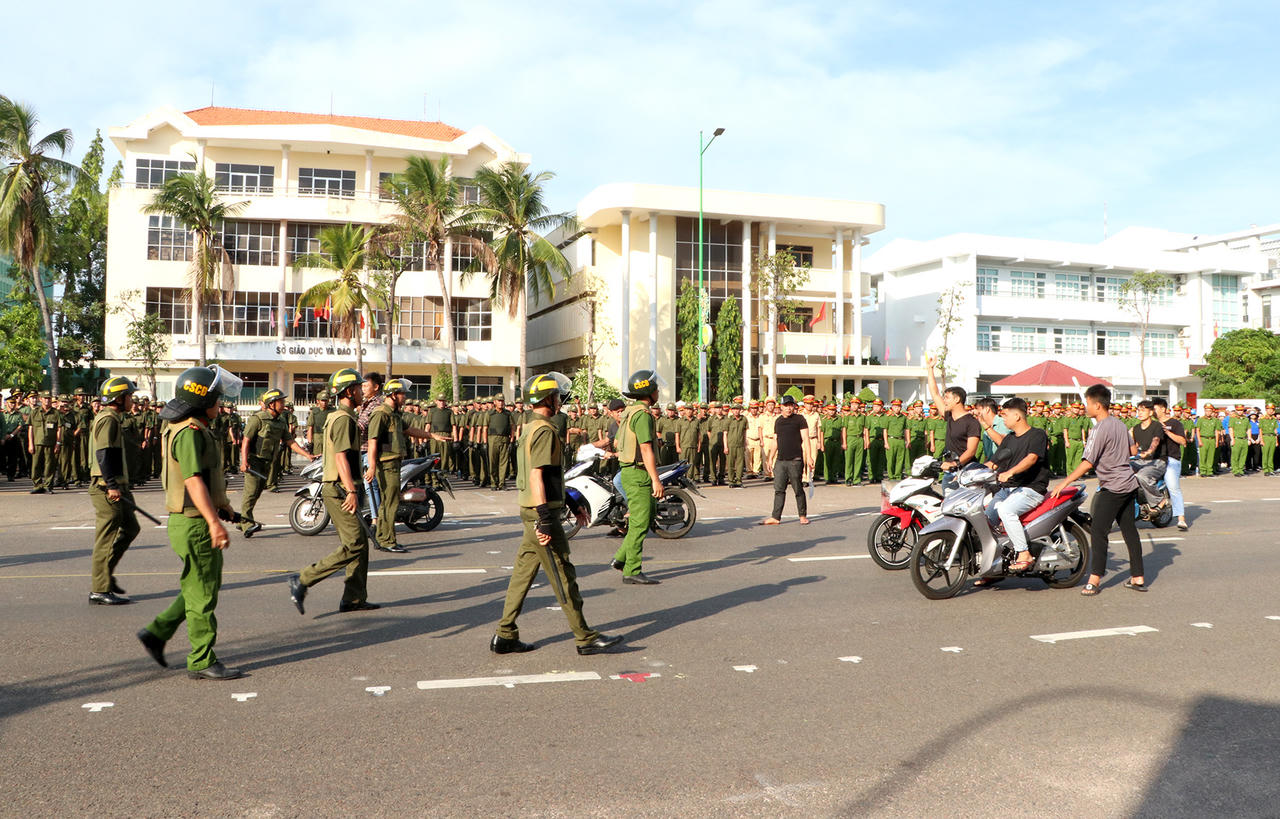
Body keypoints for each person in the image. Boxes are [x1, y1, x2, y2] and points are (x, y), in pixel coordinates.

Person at [491, 372, 623, 656]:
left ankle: (505, 634)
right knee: (563, 574)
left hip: (531, 508)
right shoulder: (545, 430)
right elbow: (539, 475)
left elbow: (551, 476)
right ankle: (584, 637)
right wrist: (546, 519)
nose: (559, 399)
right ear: (548, 398)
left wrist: (572, 504)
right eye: (556, 395)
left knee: (522, 575)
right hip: (541, 512)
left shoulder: (530, 427)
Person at [138, 364, 244, 680]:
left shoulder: (193, 428)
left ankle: (157, 633)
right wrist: (213, 521)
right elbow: (193, 481)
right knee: (203, 593)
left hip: (195, 518)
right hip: (195, 523)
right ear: (201, 401)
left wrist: (223, 508)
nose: (221, 404)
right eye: (217, 399)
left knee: (197, 587)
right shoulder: (189, 432)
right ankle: (201, 660)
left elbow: (208, 480)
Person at [289, 368, 379, 614]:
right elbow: (340, 458)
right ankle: (303, 579)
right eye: (359, 387)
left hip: (347, 487)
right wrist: (351, 490)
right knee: (354, 545)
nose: (363, 391)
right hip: (340, 489)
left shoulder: (344, 416)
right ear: (350, 391)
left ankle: (353, 598)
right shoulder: (342, 418)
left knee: (361, 543)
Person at [1051, 383, 1145, 595]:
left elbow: (1088, 462)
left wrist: (1064, 482)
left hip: (1112, 487)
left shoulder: (1099, 428)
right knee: (1130, 531)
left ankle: (1094, 579)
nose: (1085, 408)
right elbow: (1132, 450)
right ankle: (1138, 576)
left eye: (1087, 404)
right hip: (1129, 484)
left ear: (1097, 405)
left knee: (1099, 532)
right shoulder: (1120, 424)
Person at [976, 398, 1050, 585]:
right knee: (986, 519)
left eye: (1006, 414)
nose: (1003, 418)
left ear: (1017, 415)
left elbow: (1032, 458)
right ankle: (993, 566)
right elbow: (996, 460)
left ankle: (1024, 553)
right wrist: (971, 473)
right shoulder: (1009, 438)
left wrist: (1011, 471)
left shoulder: (1037, 435)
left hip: (1031, 488)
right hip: (1009, 489)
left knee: (1006, 511)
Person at [88, 376, 142, 605]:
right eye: (129, 396)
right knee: (106, 538)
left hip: (116, 484)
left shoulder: (114, 418)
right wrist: (111, 485)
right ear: (119, 399)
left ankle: (106, 577)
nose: (133, 400)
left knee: (131, 527)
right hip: (106, 486)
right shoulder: (108, 419)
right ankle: (100, 589)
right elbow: (104, 454)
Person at [609, 371, 665, 584]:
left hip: (629, 471)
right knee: (641, 523)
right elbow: (645, 448)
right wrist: (656, 479)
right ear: (649, 392)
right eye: (656, 388)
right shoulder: (642, 415)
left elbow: (617, 443)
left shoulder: (629, 412)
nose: (658, 391)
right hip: (638, 472)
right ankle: (631, 571)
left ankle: (621, 558)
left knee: (646, 516)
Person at [365, 378, 432, 553]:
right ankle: (387, 540)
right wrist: (371, 466)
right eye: (403, 394)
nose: (405, 398)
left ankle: (384, 537)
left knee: (389, 502)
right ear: (393, 395)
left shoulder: (395, 414)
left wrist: (432, 436)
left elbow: (408, 430)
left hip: (394, 462)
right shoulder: (381, 413)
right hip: (386, 464)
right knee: (390, 502)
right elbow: (372, 441)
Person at [239, 389, 313, 537]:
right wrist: (244, 461)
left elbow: (290, 442)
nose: (283, 404)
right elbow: (246, 440)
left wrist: (308, 456)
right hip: (254, 461)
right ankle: (246, 523)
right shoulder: (258, 419)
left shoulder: (280, 421)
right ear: (271, 404)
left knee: (258, 491)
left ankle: (244, 520)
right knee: (251, 492)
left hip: (268, 462)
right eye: (281, 401)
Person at [924, 355, 981, 488]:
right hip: (949, 470)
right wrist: (930, 369)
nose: (944, 400)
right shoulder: (948, 415)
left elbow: (971, 451)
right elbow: (935, 394)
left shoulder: (971, 422)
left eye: (947, 398)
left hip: (966, 471)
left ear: (957, 399)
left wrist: (955, 464)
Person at [760, 394, 812, 525]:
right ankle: (776, 517)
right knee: (779, 490)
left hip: (795, 460)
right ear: (781, 407)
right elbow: (775, 441)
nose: (789, 408)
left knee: (798, 488)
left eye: (791, 406)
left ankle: (802, 515)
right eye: (786, 406)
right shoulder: (778, 421)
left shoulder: (800, 419)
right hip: (781, 461)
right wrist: (770, 458)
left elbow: (806, 439)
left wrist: (809, 457)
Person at [1152, 397, 1188, 531]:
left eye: (1155, 408)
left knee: (1173, 487)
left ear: (1163, 409)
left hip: (1171, 459)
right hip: (1155, 459)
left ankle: (1181, 518)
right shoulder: (1152, 424)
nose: (1153, 411)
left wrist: (1167, 432)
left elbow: (1183, 441)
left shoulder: (1175, 423)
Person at [27, 391, 59, 493]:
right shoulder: (35, 412)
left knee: (49, 465)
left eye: (49, 398)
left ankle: (48, 486)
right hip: (37, 443)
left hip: (50, 443)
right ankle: (37, 485)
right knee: (36, 465)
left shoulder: (55, 413)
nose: (47, 400)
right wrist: (30, 443)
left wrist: (58, 443)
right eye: (45, 398)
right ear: (41, 399)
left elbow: (59, 429)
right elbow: (30, 428)